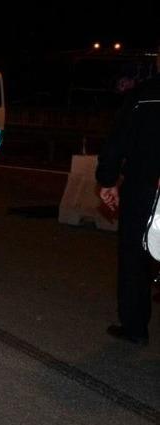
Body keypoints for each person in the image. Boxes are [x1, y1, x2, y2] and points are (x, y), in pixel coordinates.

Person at [95, 76, 160, 346]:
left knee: (135, 256)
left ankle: (134, 326)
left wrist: (108, 180)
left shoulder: (144, 95)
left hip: (144, 188)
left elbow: (117, 141)